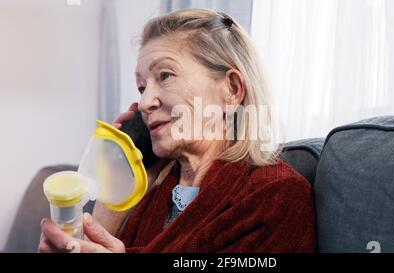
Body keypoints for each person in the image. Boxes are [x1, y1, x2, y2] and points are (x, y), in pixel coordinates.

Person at [38, 9, 316, 253]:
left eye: (165, 76)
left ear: (231, 89)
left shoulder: (275, 195)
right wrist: (115, 179)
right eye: (142, 87)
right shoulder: (152, 194)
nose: (145, 103)